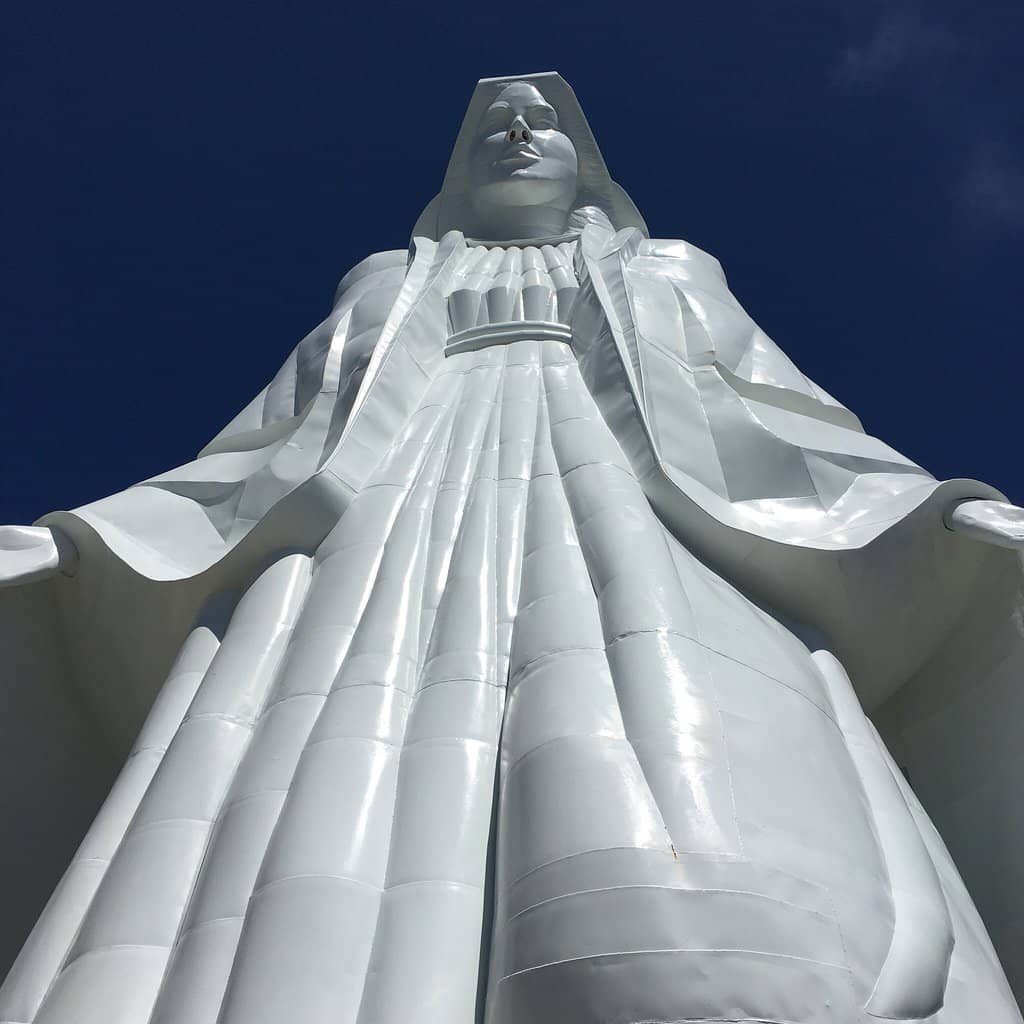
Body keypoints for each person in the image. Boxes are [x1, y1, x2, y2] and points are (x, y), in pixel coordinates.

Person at [1, 72, 1021, 1024]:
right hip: (375, 530)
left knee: (690, 844)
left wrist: (924, 509)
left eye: (541, 122)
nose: (519, 134)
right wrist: (84, 541)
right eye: (492, 126)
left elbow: (780, 411)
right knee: (303, 803)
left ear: (585, 160)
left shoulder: (667, 269)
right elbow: (270, 440)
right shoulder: (383, 281)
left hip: (641, 507)